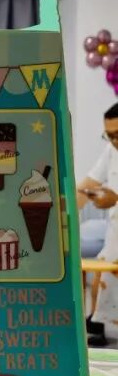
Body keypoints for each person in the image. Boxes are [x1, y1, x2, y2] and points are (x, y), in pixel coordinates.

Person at [77, 102, 118, 346]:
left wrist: (115, 198)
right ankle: (98, 324)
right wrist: (66, 206)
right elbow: (89, 183)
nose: (114, 141)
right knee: (102, 276)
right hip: (115, 232)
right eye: (109, 135)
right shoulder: (112, 150)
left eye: (117, 135)